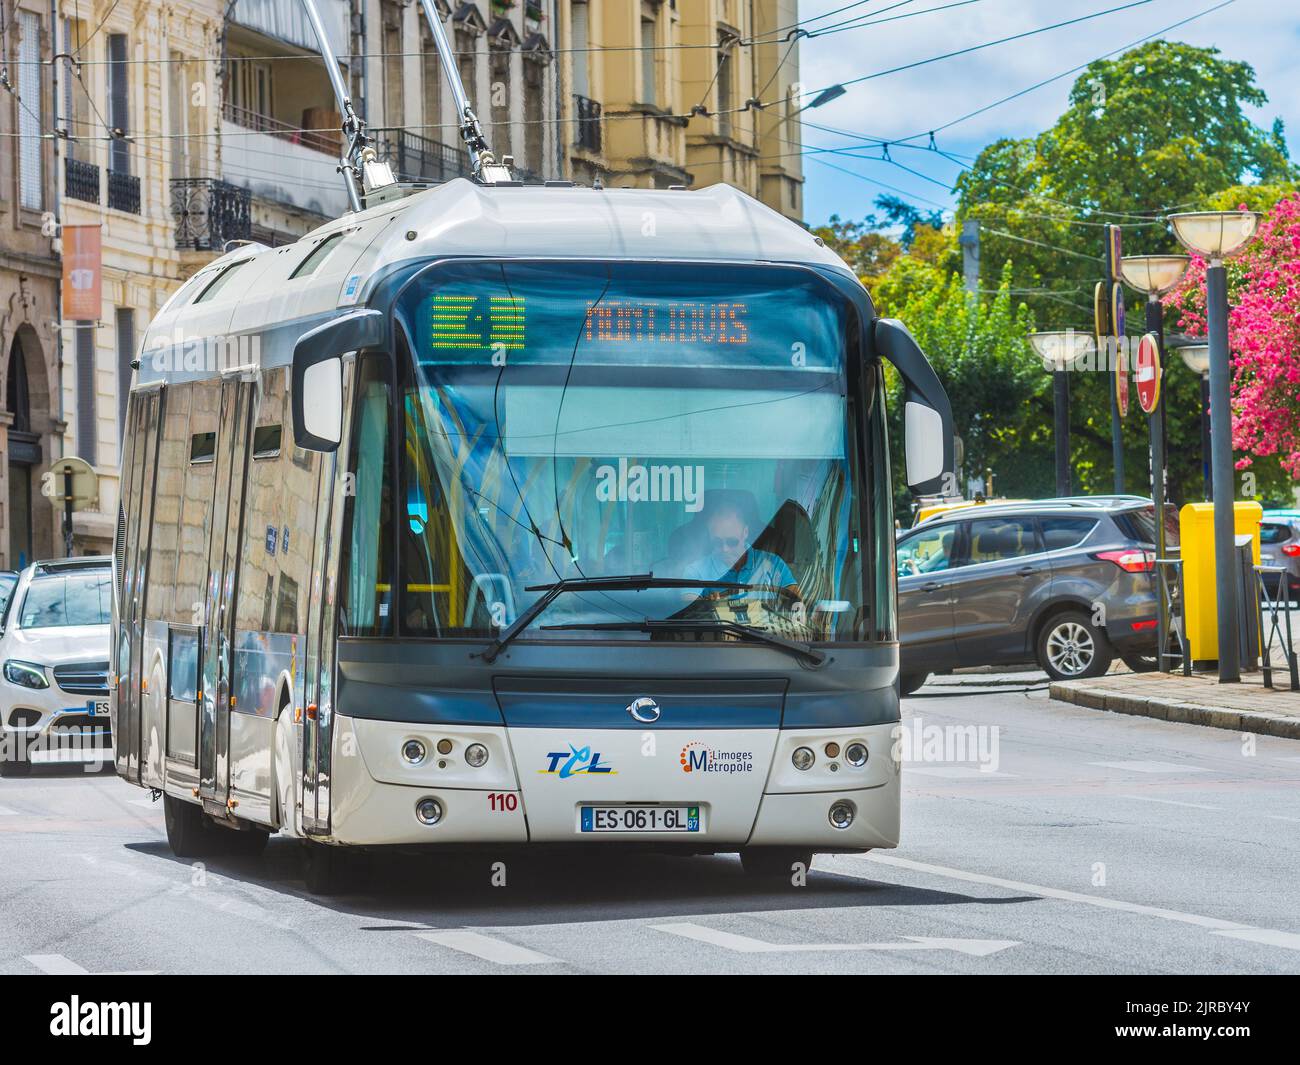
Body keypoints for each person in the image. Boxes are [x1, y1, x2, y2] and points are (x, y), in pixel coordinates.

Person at [683, 500, 799, 607]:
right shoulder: (696, 572)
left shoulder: (774, 565)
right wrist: (708, 606)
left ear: (745, 532)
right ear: (709, 536)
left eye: (732, 542)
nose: (725, 549)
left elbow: (798, 605)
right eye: (717, 542)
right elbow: (690, 612)